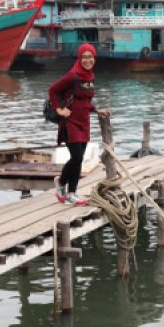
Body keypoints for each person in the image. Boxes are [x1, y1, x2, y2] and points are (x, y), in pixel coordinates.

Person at [48, 43, 110, 206]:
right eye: (84, 57)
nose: (87, 60)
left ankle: (72, 193)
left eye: (90, 57)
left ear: (94, 59)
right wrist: (59, 109)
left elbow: (85, 100)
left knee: (79, 159)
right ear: (80, 58)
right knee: (76, 157)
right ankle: (61, 183)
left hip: (84, 122)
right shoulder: (73, 75)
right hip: (70, 122)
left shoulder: (90, 76)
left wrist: (97, 110)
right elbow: (52, 90)